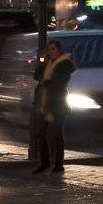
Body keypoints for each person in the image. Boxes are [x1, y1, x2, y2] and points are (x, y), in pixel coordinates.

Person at [33, 40, 77, 174]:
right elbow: (36, 76)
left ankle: (59, 165)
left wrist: (46, 83)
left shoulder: (64, 64)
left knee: (56, 134)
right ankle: (45, 163)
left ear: (59, 50)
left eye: (53, 49)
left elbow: (59, 83)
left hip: (58, 104)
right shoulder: (48, 63)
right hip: (46, 104)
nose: (50, 52)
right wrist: (41, 61)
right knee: (42, 134)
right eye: (49, 50)